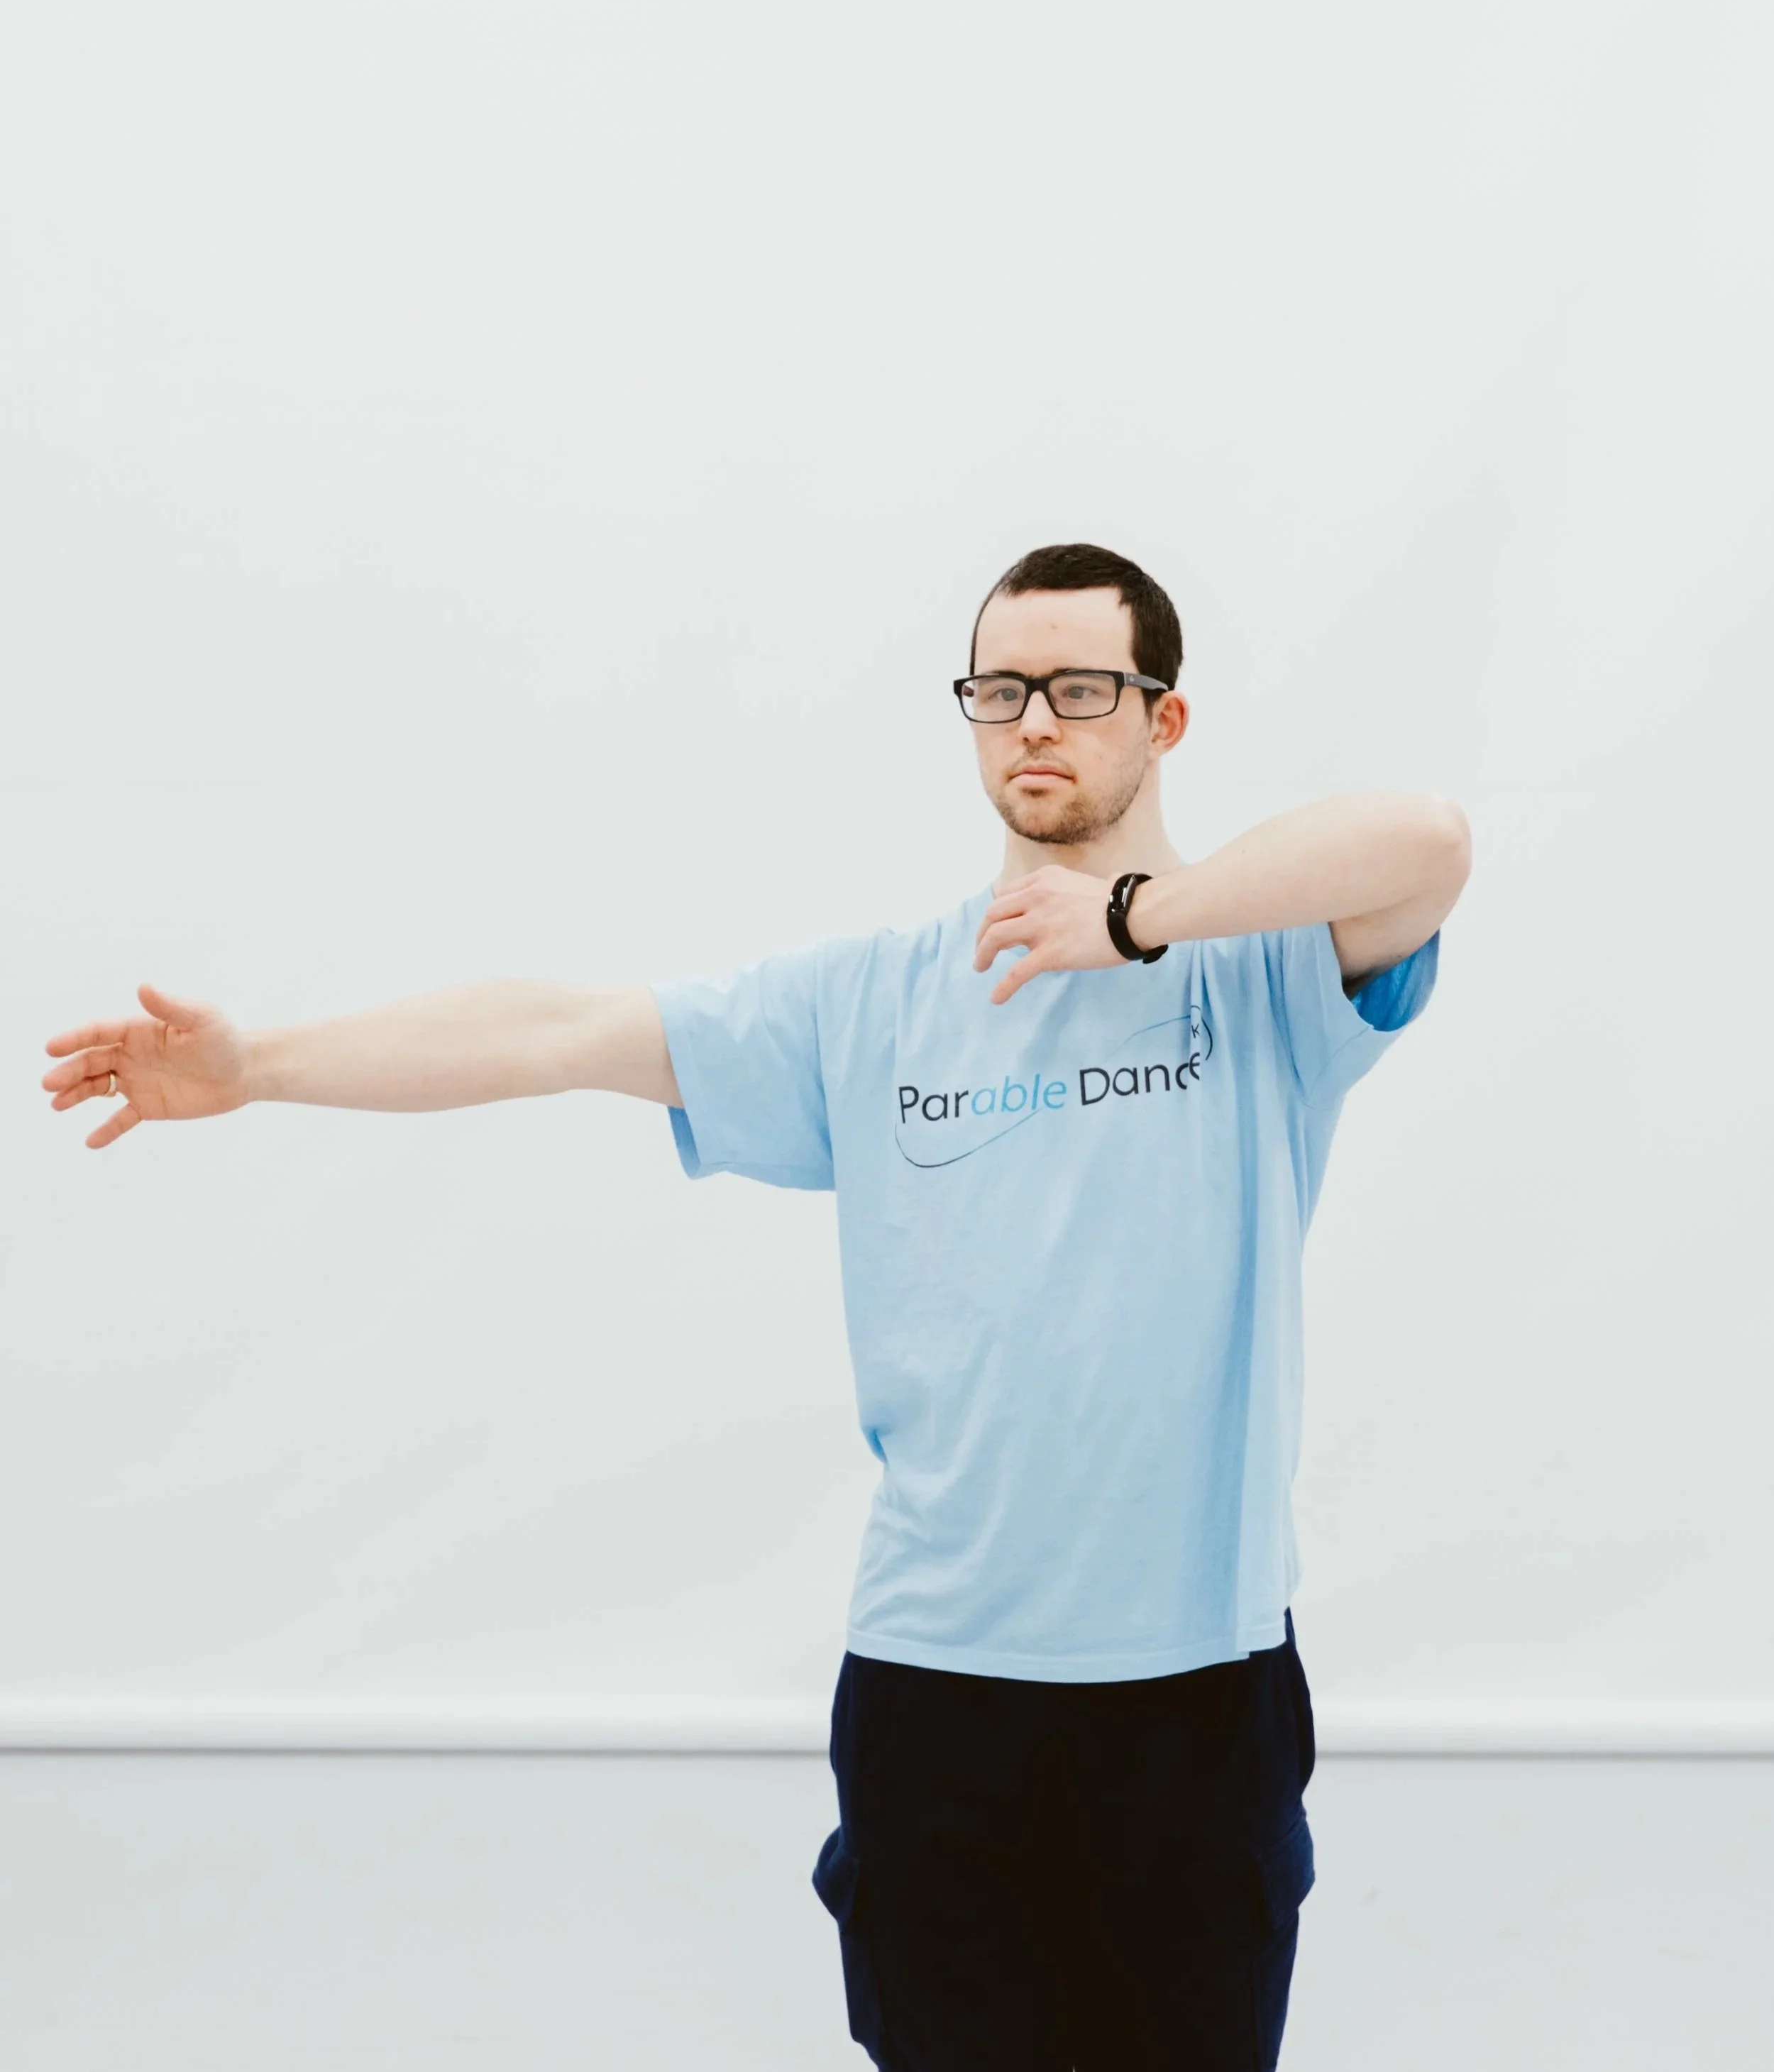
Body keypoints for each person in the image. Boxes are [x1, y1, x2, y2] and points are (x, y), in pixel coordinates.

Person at [41, 543, 1469, 2070]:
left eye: (1078, 687)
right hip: (939, 1688)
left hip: (1199, 1688)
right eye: (999, 689)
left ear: (1160, 718)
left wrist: (1134, 915)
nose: (1033, 722)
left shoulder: (1259, 980)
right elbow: (556, 1029)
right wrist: (258, 1065)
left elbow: (1425, 841)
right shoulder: (869, 1001)